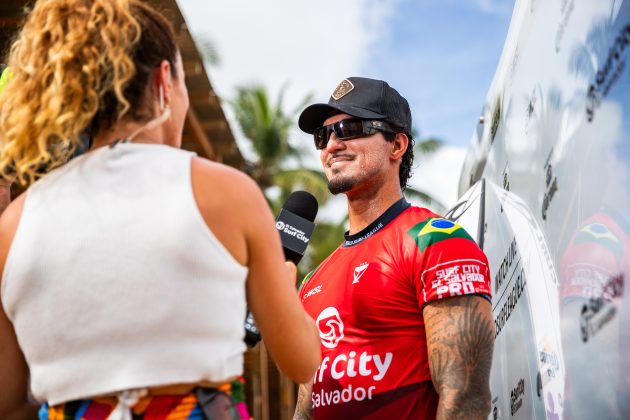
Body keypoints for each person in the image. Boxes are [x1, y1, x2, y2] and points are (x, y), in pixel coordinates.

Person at [0, 1, 320, 419]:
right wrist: (283, 282)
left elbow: (7, 402)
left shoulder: (16, 221)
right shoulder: (226, 192)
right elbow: (303, 360)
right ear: (165, 81)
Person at [293, 77, 494, 419]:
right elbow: (307, 406)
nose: (332, 145)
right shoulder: (312, 282)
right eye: (322, 136)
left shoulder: (436, 241)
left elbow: (465, 398)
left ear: (397, 145)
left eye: (349, 128)